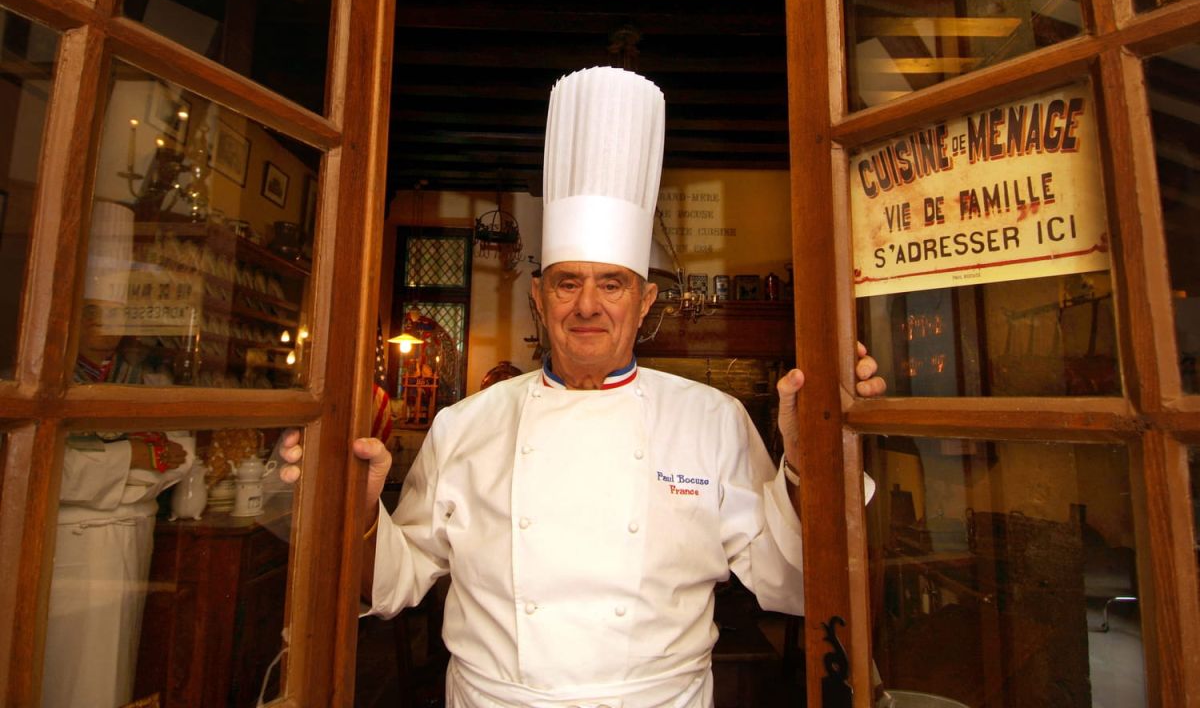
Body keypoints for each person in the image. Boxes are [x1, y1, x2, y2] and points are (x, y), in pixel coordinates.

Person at [280, 67, 885, 707]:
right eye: (567, 283)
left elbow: (789, 583)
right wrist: (357, 514)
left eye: (612, 284)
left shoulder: (714, 419)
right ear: (540, 299)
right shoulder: (464, 424)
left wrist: (809, 469)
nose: (587, 305)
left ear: (645, 303)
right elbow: (394, 583)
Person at [42, 201, 193, 708]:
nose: (108, 328)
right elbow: (48, 470)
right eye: (97, 315)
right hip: (67, 548)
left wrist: (137, 463)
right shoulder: (40, 379)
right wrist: (132, 456)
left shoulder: (142, 380)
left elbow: (178, 456)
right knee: (63, 673)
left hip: (131, 539)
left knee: (118, 671)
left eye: (116, 316)